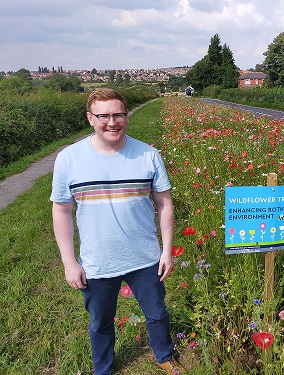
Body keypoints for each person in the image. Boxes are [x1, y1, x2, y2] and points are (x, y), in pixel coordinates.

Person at [51, 88, 180, 374]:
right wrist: (69, 262)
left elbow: (165, 203)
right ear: (90, 118)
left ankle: (164, 355)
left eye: (118, 114)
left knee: (157, 314)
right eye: (104, 116)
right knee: (100, 322)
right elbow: (61, 211)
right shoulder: (69, 159)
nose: (112, 122)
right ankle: (103, 368)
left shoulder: (148, 154)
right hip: (97, 261)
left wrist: (167, 251)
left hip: (146, 257)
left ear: (126, 115)